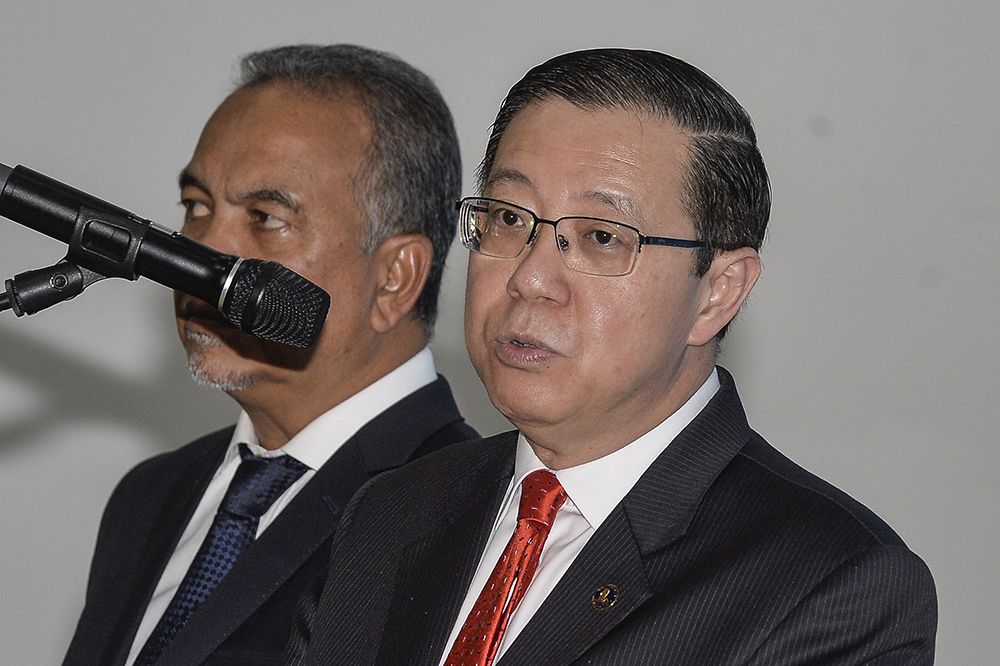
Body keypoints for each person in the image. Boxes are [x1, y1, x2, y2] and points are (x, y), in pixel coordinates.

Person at [285, 48, 937, 665]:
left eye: (599, 236)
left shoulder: (831, 581)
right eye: (510, 219)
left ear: (717, 293)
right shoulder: (389, 513)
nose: (530, 278)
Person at [63, 44, 477, 666]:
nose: (202, 250)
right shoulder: (150, 497)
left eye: (265, 217)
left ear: (395, 277)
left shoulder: (468, 517)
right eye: (197, 208)